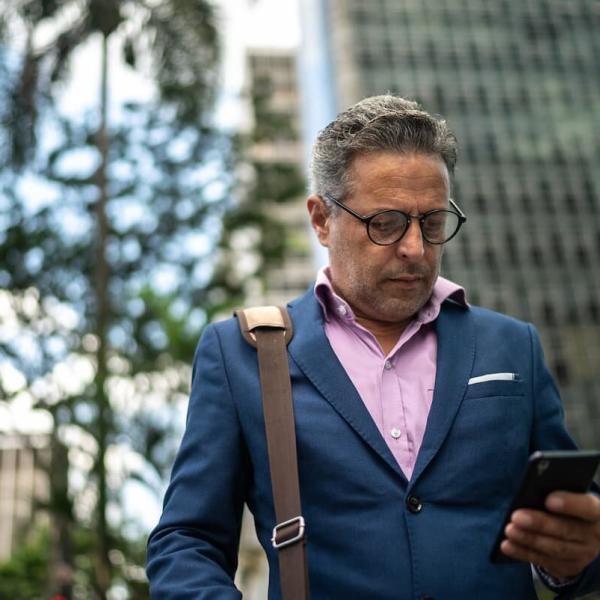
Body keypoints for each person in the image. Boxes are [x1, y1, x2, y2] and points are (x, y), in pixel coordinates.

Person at [146, 95, 600, 599]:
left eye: (431, 222)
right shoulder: (242, 353)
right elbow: (186, 541)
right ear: (321, 220)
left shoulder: (515, 346)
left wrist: (576, 560)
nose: (415, 248)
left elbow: (578, 532)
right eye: (385, 223)